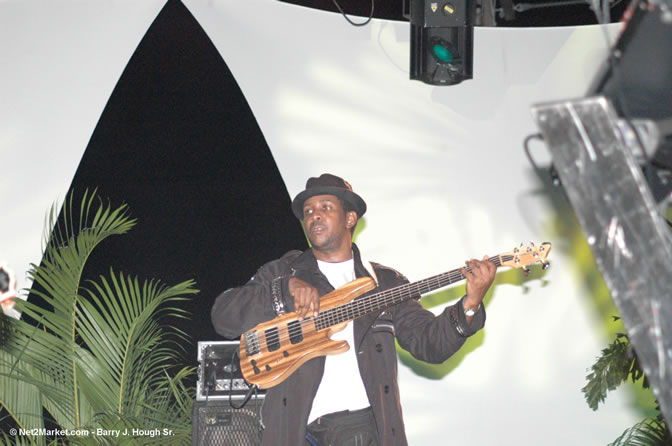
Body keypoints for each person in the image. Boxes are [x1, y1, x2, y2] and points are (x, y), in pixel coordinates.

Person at [211, 173, 496, 446]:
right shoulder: (284, 271)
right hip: (295, 433)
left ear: (350, 218)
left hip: (363, 429)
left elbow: (429, 344)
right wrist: (285, 290)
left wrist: (470, 304)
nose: (314, 215)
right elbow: (223, 316)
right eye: (308, 211)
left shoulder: (384, 282)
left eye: (325, 207)